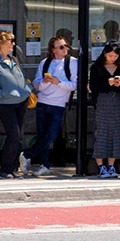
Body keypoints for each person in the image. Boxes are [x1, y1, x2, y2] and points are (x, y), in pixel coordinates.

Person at [0, 28, 34, 178]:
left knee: (19, 138)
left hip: (21, 102)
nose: (13, 44)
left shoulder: (13, 59)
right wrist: (3, 93)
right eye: (10, 41)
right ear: (1, 44)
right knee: (13, 135)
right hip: (5, 104)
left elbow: (22, 78)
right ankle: (4, 169)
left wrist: (27, 89)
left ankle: (12, 169)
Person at [26, 35, 76, 177]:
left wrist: (58, 82)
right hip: (42, 102)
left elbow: (75, 84)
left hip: (58, 104)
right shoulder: (45, 63)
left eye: (66, 46)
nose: (65, 49)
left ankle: (27, 154)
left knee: (51, 135)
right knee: (42, 135)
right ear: (53, 50)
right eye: (61, 47)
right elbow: (36, 84)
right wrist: (45, 82)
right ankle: (44, 165)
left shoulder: (72, 62)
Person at [85, 43, 120, 179]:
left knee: (115, 133)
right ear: (104, 53)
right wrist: (107, 83)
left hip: (116, 101)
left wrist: (118, 84)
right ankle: (100, 166)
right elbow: (93, 86)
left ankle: (111, 165)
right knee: (102, 132)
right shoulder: (96, 68)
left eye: (115, 56)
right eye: (110, 55)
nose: (113, 58)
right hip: (102, 101)